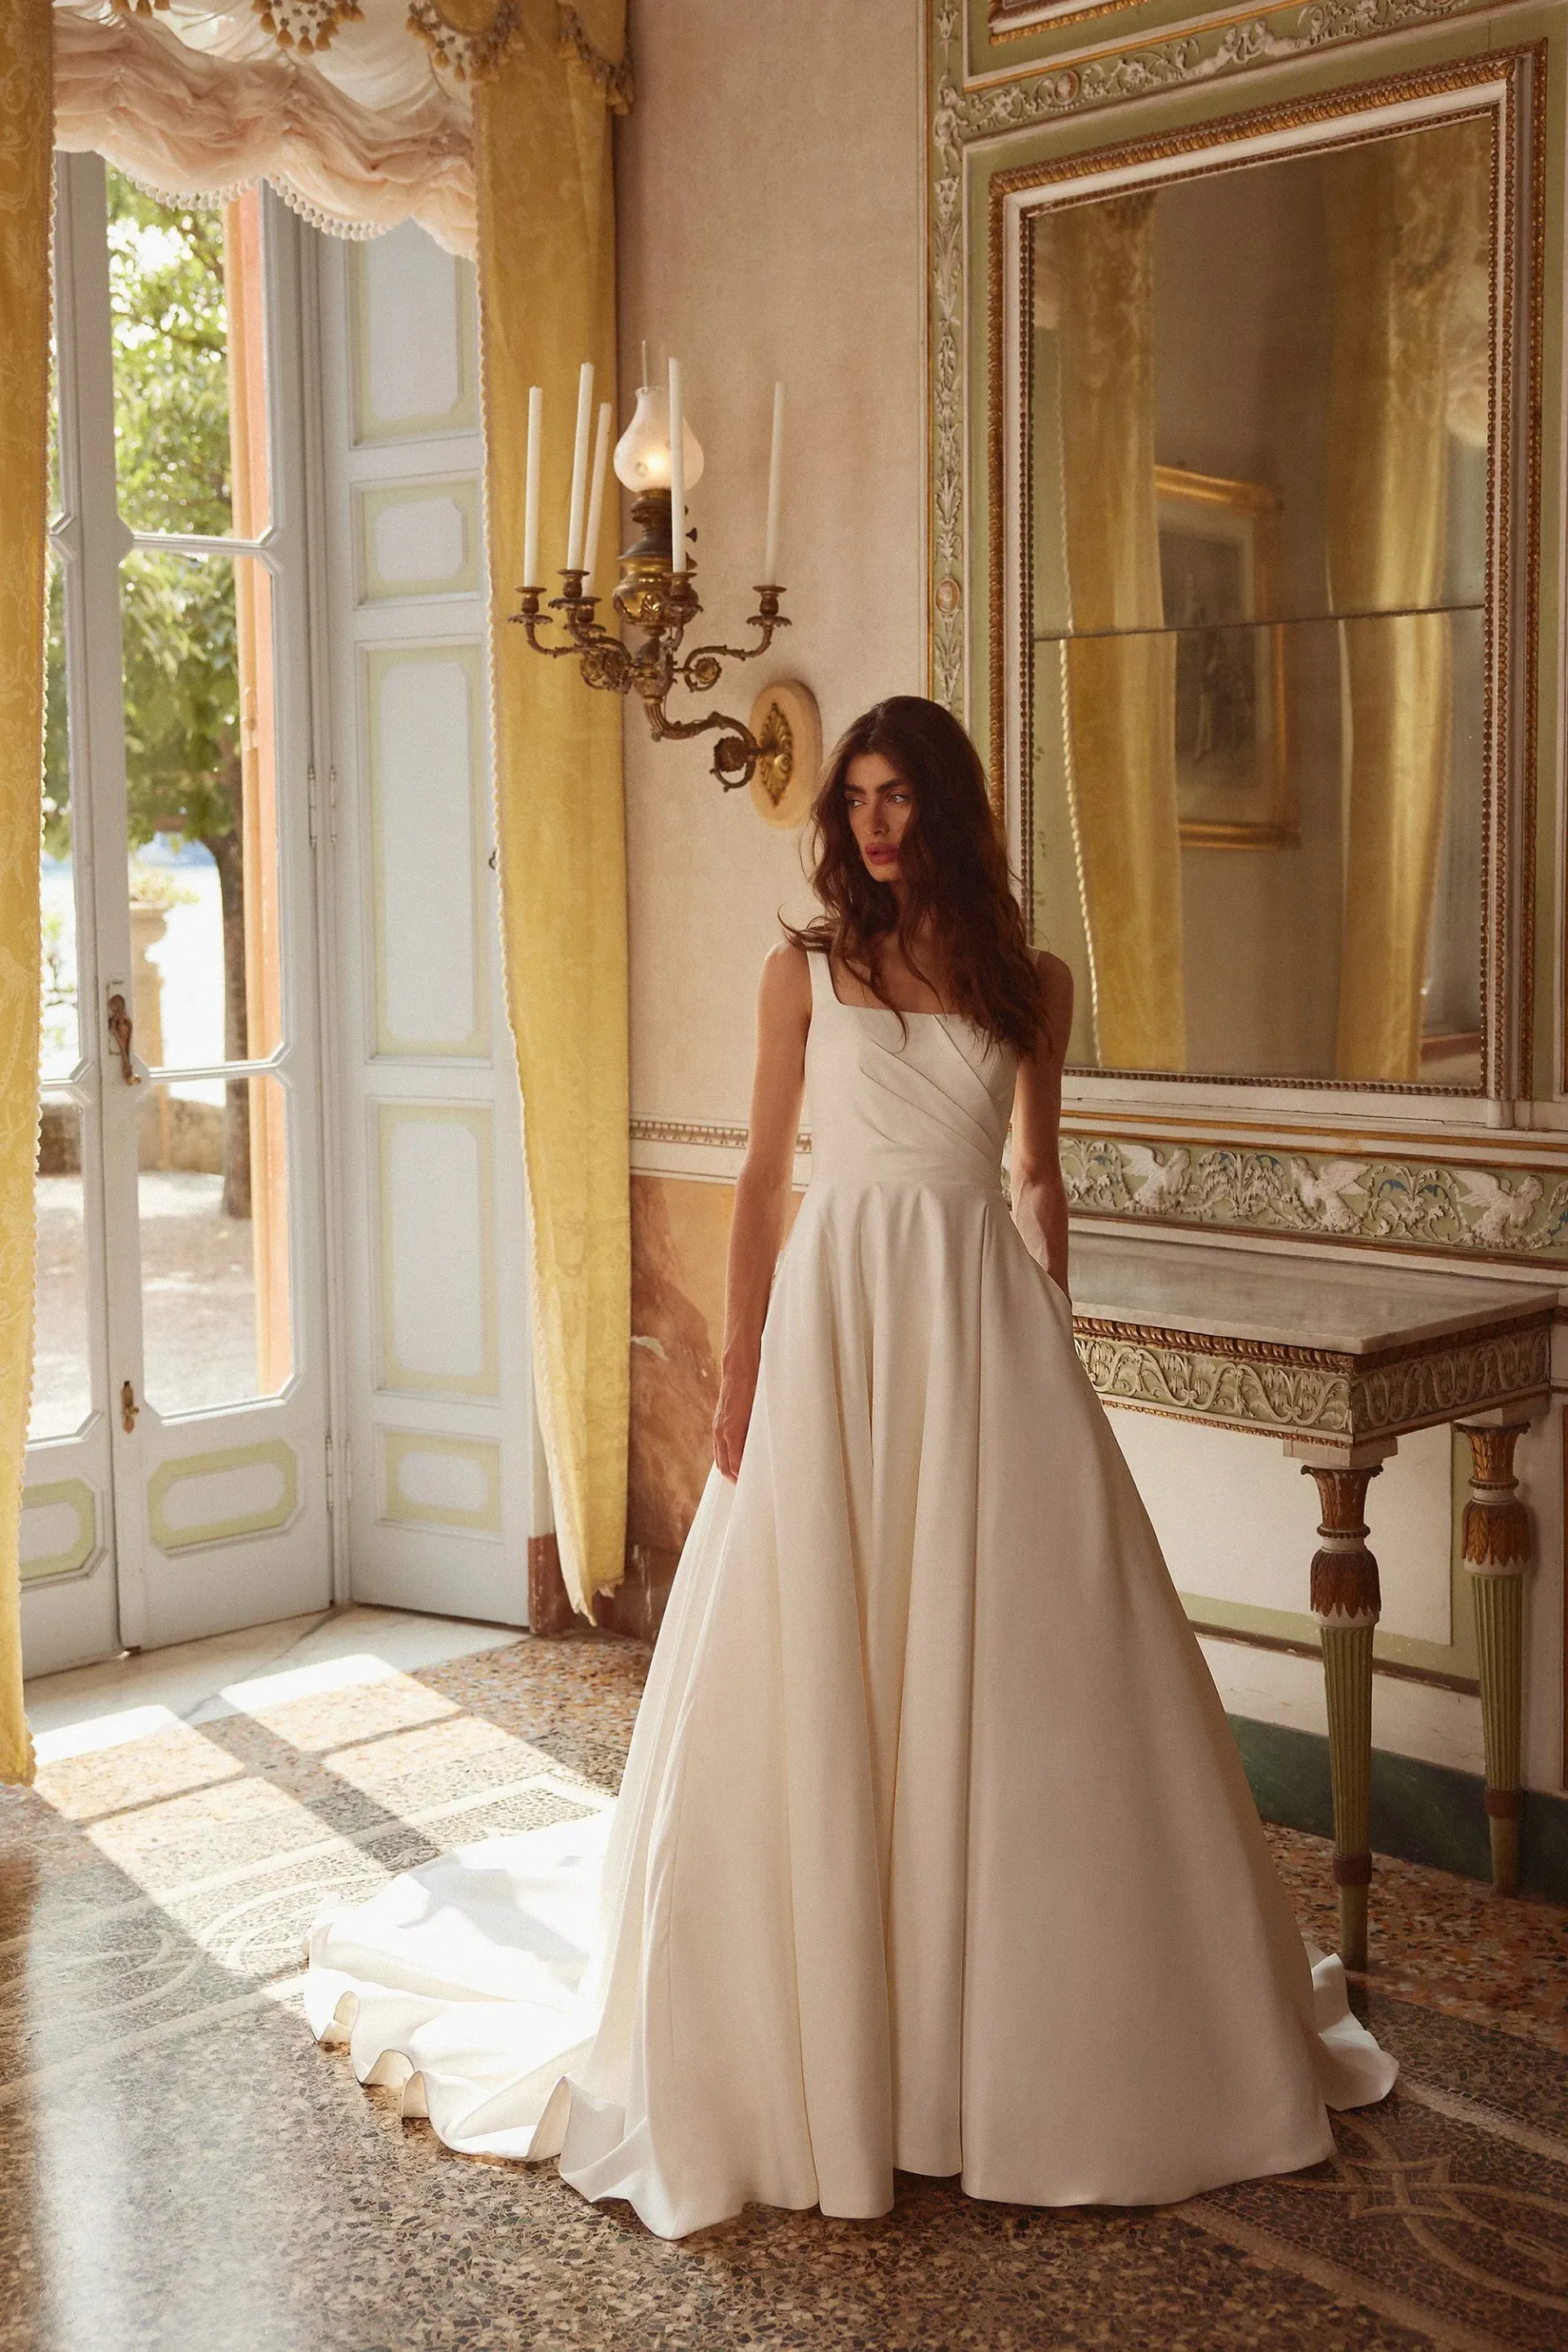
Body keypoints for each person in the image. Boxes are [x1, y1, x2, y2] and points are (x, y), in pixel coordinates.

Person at [306, 695, 1394, 2241]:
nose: (875, 824)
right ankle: (834, 2019)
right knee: (828, 1641)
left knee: (1020, 1670)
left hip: (983, 1329)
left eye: (899, 798)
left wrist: (1055, 1337)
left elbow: (1035, 1173)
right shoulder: (804, 971)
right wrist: (743, 1356)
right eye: (858, 800)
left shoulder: (1036, 984)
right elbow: (759, 1181)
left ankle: (1010, 2033)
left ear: (946, 809)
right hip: (838, 1324)